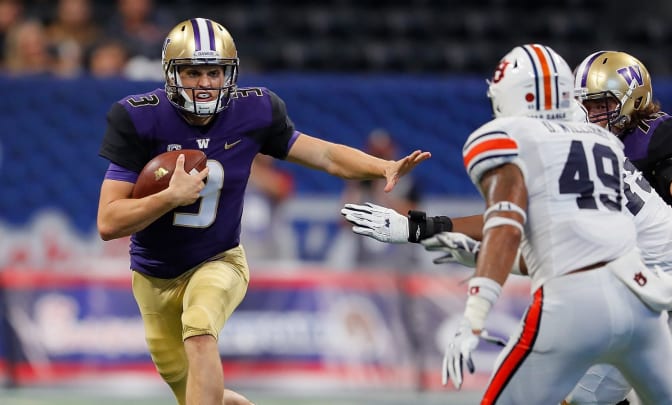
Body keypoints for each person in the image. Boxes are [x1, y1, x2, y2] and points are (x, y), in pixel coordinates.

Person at [95, 18, 430, 405]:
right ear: (172, 75)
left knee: (200, 328)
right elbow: (108, 221)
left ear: (230, 73)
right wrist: (169, 197)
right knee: (195, 392)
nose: (205, 83)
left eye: (214, 72)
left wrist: (380, 167)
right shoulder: (138, 118)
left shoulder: (254, 110)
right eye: (193, 71)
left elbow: (322, 153)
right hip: (152, 275)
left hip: (218, 260)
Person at [348, 43, 672, 403]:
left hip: (574, 300)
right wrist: (433, 234)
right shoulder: (603, 141)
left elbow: (506, 222)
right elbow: (574, 241)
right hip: (642, 297)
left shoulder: (507, 138)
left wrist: (473, 317)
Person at [574, 50, 672, 239]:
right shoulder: (577, 143)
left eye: (601, 106)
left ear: (635, 99)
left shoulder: (655, 135)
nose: (590, 117)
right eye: (585, 107)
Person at [338, 128, 423, 269]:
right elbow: (344, 219)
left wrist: (384, 197)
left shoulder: (407, 181)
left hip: (400, 252)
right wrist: (355, 186)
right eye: (376, 153)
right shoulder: (361, 182)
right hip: (366, 253)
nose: (380, 158)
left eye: (383, 153)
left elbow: (415, 217)